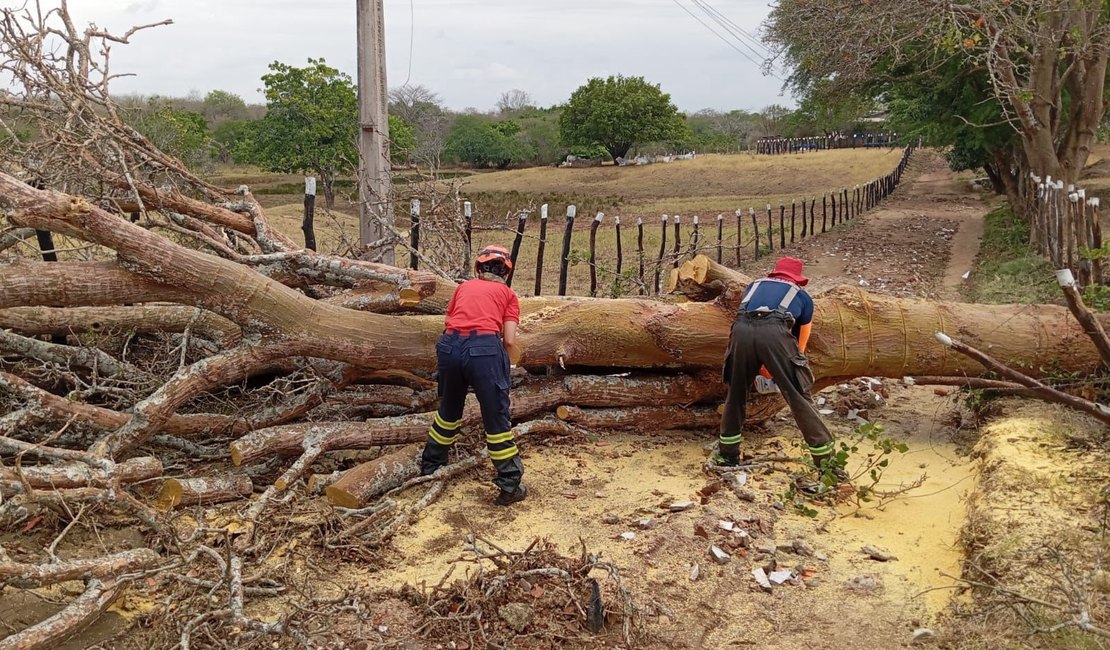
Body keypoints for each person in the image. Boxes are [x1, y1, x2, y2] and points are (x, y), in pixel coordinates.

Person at [716, 257, 843, 488]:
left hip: (741, 331)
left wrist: (762, 361)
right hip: (774, 334)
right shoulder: (803, 297)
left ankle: (727, 456)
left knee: (736, 393)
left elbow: (750, 325)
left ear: (774, 274)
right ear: (798, 280)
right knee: (798, 395)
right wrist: (782, 366)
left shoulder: (753, 286)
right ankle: (827, 464)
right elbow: (799, 344)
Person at [420, 244, 527, 506]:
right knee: (496, 416)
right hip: (484, 350)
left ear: (479, 268)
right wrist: (513, 361)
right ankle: (509, 484)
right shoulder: (507, 294)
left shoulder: (463, 287)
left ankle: (430, 468)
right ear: (506, 272)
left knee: (449, 412)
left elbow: (450, 322)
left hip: (449, 346)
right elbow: (510, 340)